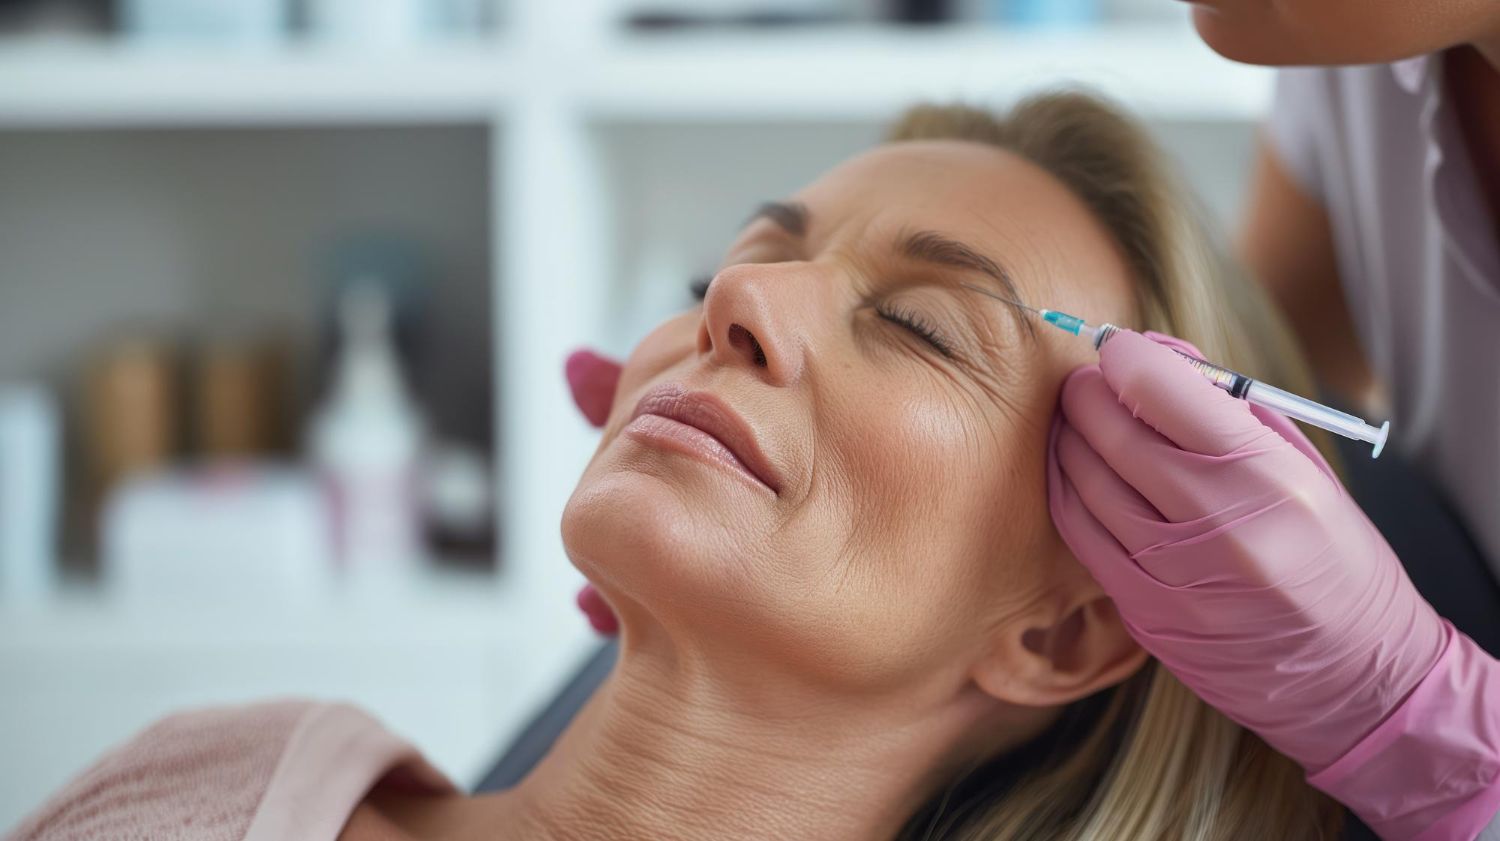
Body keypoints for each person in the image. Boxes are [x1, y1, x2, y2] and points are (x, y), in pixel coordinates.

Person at [9, 93, 1343, 841]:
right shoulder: (210, 785)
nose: (741, 306)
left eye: (921, 326)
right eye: (739, 261)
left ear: (1063, 628)